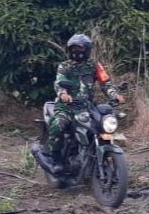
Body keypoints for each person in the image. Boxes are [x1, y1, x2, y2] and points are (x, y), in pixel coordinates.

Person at [47, 33, 125, 173]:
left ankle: (95, 156)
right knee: (58, 125)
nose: (77, 52)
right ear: (69, 50)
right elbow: (59, 83)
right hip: (67, 107)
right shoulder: (65, 66)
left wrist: (114, 95)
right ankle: (56, 159)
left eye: (80, 49)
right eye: (74, 49)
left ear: (87, 50)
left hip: (87, 107)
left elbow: (105, 83)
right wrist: (63, 94)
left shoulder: (94, 65)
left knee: (101, 126)